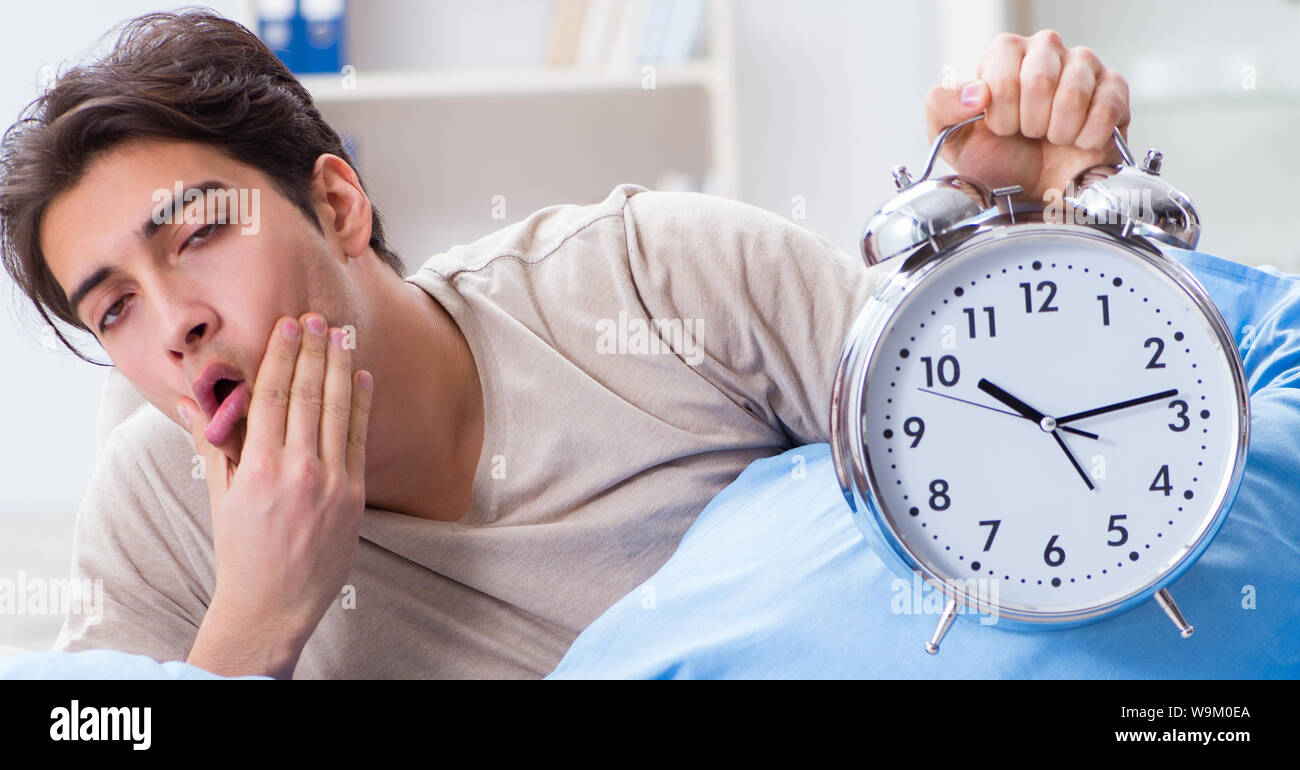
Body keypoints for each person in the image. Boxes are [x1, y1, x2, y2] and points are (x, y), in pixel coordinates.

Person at [0, 12, 1129, 678]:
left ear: (338, 206)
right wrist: (255, 617)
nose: (174, 322)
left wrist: (1043, 231)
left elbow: (1035, 465)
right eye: (113, 310)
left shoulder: (660, 275)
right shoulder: (153, 511)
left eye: (200, 235)